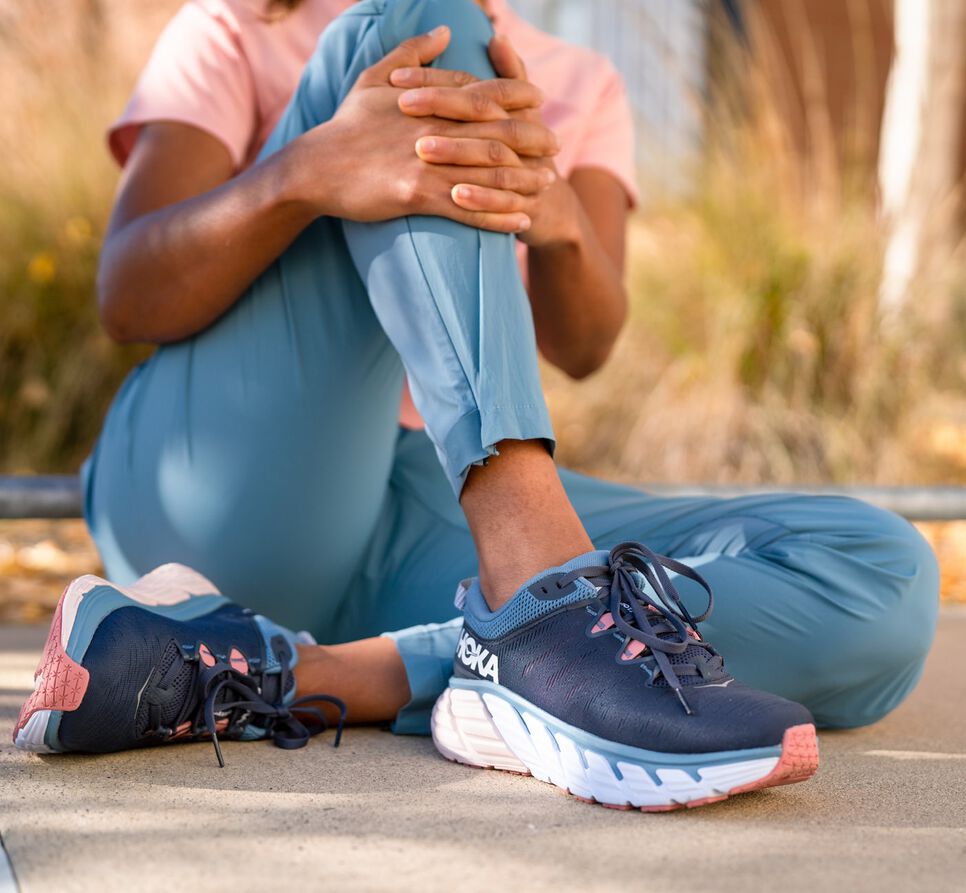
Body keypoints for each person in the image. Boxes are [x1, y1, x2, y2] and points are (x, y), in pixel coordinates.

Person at [15, 0, 939, 811]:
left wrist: (565, 217)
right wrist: (301, 177)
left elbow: (585, 344)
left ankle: (344, 670)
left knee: (880, 568)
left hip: (418, 505)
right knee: (416, 22)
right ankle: (544, 600)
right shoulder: (239, 24)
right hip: (232, 474)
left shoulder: (579, 79)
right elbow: (128, 294)